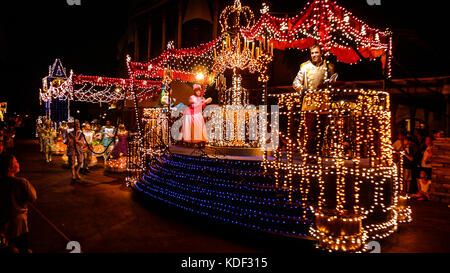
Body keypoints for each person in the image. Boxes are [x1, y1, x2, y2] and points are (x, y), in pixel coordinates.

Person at [292, 45, 335, 156]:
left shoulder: (329, 67)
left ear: (321, 53)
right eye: (312, 53)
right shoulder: (305, 67)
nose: (314, 55)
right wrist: (303, 89)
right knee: (310, 131)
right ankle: (310, 154)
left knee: (322, 131)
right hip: (309, 104)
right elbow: (295, 83)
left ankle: (318, 152)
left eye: (316, 52)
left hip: (323, 103)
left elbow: (332, 84)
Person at [0, 154, 37, 253]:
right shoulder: (21, 182)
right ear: (10, 168)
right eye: (16, 162)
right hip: (19, 224)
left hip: (3, 223)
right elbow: (33, 197)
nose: (18, 164)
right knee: (21, 247)